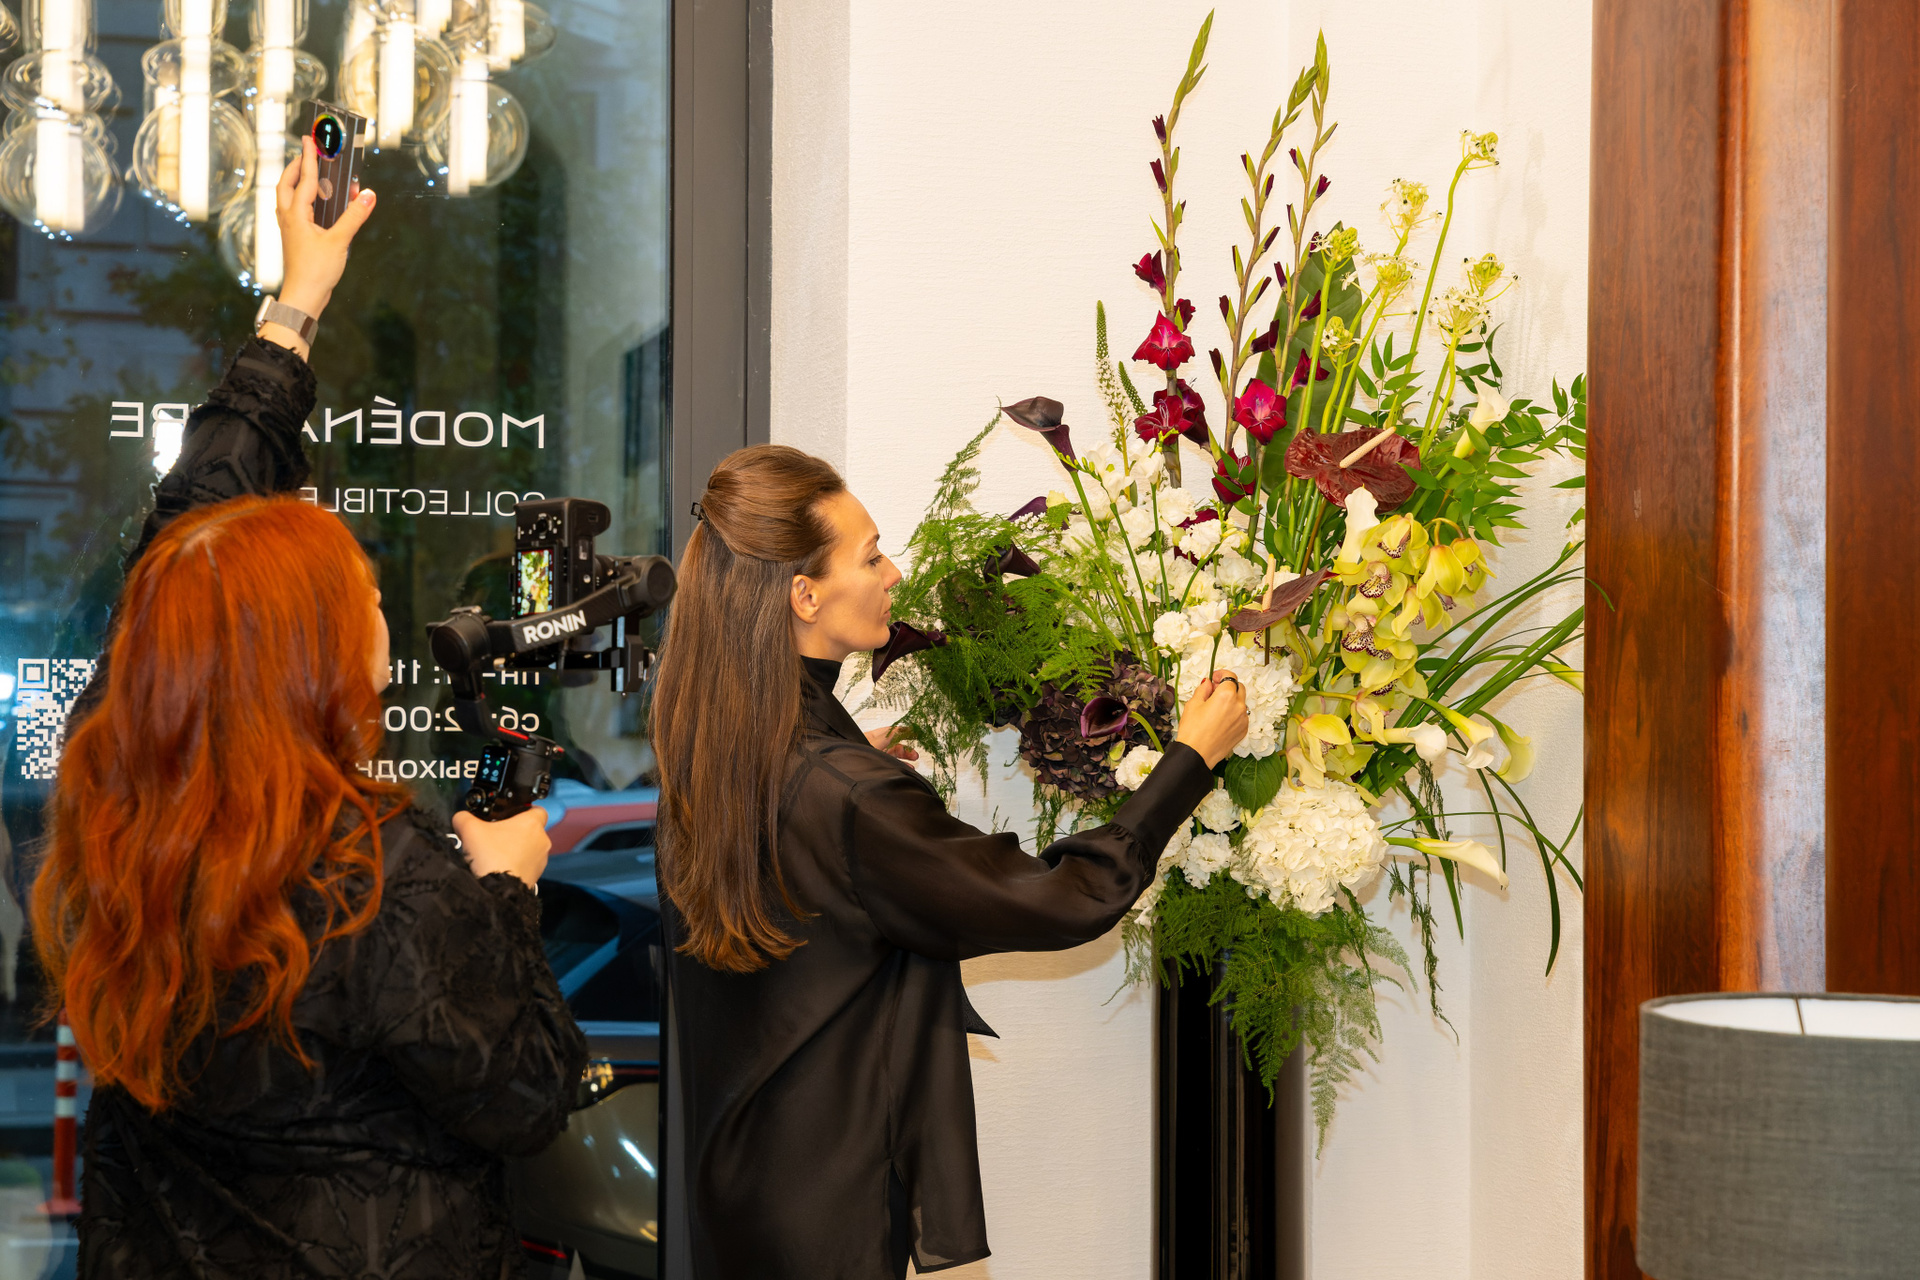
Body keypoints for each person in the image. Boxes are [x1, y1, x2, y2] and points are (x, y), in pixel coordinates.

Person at [31, 140, 585, 1278]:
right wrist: (507, 889)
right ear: (314, 662)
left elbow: (190, 549)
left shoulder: (114, 811)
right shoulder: (376, 879)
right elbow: (529, 1092)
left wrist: (296, 309)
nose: (381, 615)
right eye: (360, 599)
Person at [650, 445, 1249, 1278]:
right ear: (805, 595)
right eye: (870, 557)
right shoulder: (844, 794)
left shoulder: (713, 757)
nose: (893, 573)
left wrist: (854, 768)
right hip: (831, 1213)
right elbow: (1066, 897)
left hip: (742, 1186)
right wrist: (1190, 759)